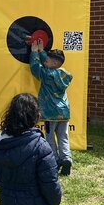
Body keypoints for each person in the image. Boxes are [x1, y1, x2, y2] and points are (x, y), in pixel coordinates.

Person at [27, 38, 73, 176]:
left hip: (50, 114)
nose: (44, 60)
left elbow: (36, 68)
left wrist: (34, 53)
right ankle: (66, 159)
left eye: (46, 59)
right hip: (64, 112)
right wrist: (42, 51)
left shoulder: (46, 74)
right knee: (63, 137)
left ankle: (55, 160)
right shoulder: (63, 74)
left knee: (50, 137)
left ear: (54, 63)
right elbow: (47, 62)